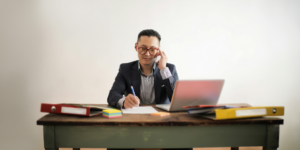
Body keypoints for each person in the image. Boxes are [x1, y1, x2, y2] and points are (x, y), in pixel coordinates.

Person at [107, 29, 191, 150]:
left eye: (152, 49)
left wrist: (163, 69)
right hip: (133, 124)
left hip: (164, 124)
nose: (147, 54)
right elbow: (113, 95)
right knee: (113, 143)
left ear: (158, 50)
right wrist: (123, 101)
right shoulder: (125, 69)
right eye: (143, 48)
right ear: (136, 47)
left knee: (184, 144)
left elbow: (177, 100)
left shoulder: (169, 69)